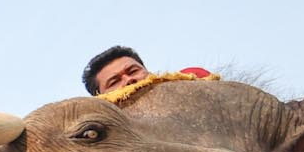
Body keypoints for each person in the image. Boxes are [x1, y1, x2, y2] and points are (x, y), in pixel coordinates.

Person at [80, 45, 215, 97]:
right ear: (102, 98)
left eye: (133, 71)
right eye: (114, 81)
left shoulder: (190, 80)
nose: (129, 80)